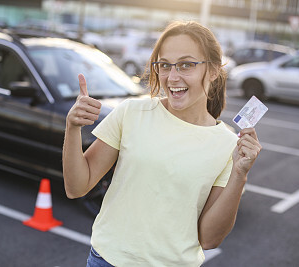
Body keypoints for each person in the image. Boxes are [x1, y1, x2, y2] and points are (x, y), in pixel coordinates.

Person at [63, 20, 262, 266]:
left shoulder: (229, 145)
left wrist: (240, 174)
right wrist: (72, 128)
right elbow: (76, 187)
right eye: (165, 65)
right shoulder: (132, 112)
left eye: (186, 65)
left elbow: (209, 239)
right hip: (107, 261)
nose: (172, 77)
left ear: (212, 70)